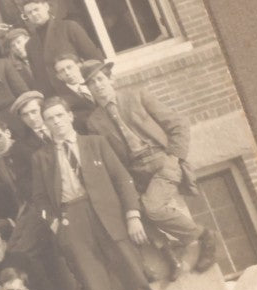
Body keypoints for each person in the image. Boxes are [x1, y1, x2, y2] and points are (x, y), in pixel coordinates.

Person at [28, 97, 194, 290]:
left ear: (69, 116)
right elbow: (40, 199)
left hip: (110, 220)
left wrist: (132, 216)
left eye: (59, 115)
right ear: (45, 125)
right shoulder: (42, 158)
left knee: (138, 285)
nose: (56, 122)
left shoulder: (95, 143)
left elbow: (121, 179)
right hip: (74, 224)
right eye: (50, 119)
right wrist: (57, 225)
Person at [81, 60, 219, 275]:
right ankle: (169, 255)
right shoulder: (94, 122)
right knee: (130, 206)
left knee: (152, 208)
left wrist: (174, 158)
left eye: (100, 79)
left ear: (110, 79)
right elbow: (111, 160)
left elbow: (178, 124)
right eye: (91, 83)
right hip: (135, 172)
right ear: (88, 89)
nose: (97, 85)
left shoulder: (137, 96)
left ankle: (202, 236)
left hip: (161, 160)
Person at [21, 0, 103, 98]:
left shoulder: (69, 27)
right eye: (29, 13)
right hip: (59, 103)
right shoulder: (30, 45)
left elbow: (94, 60)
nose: (34, 14)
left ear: (46, 6)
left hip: (84, 94)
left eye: (36, 9)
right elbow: (39, 80)